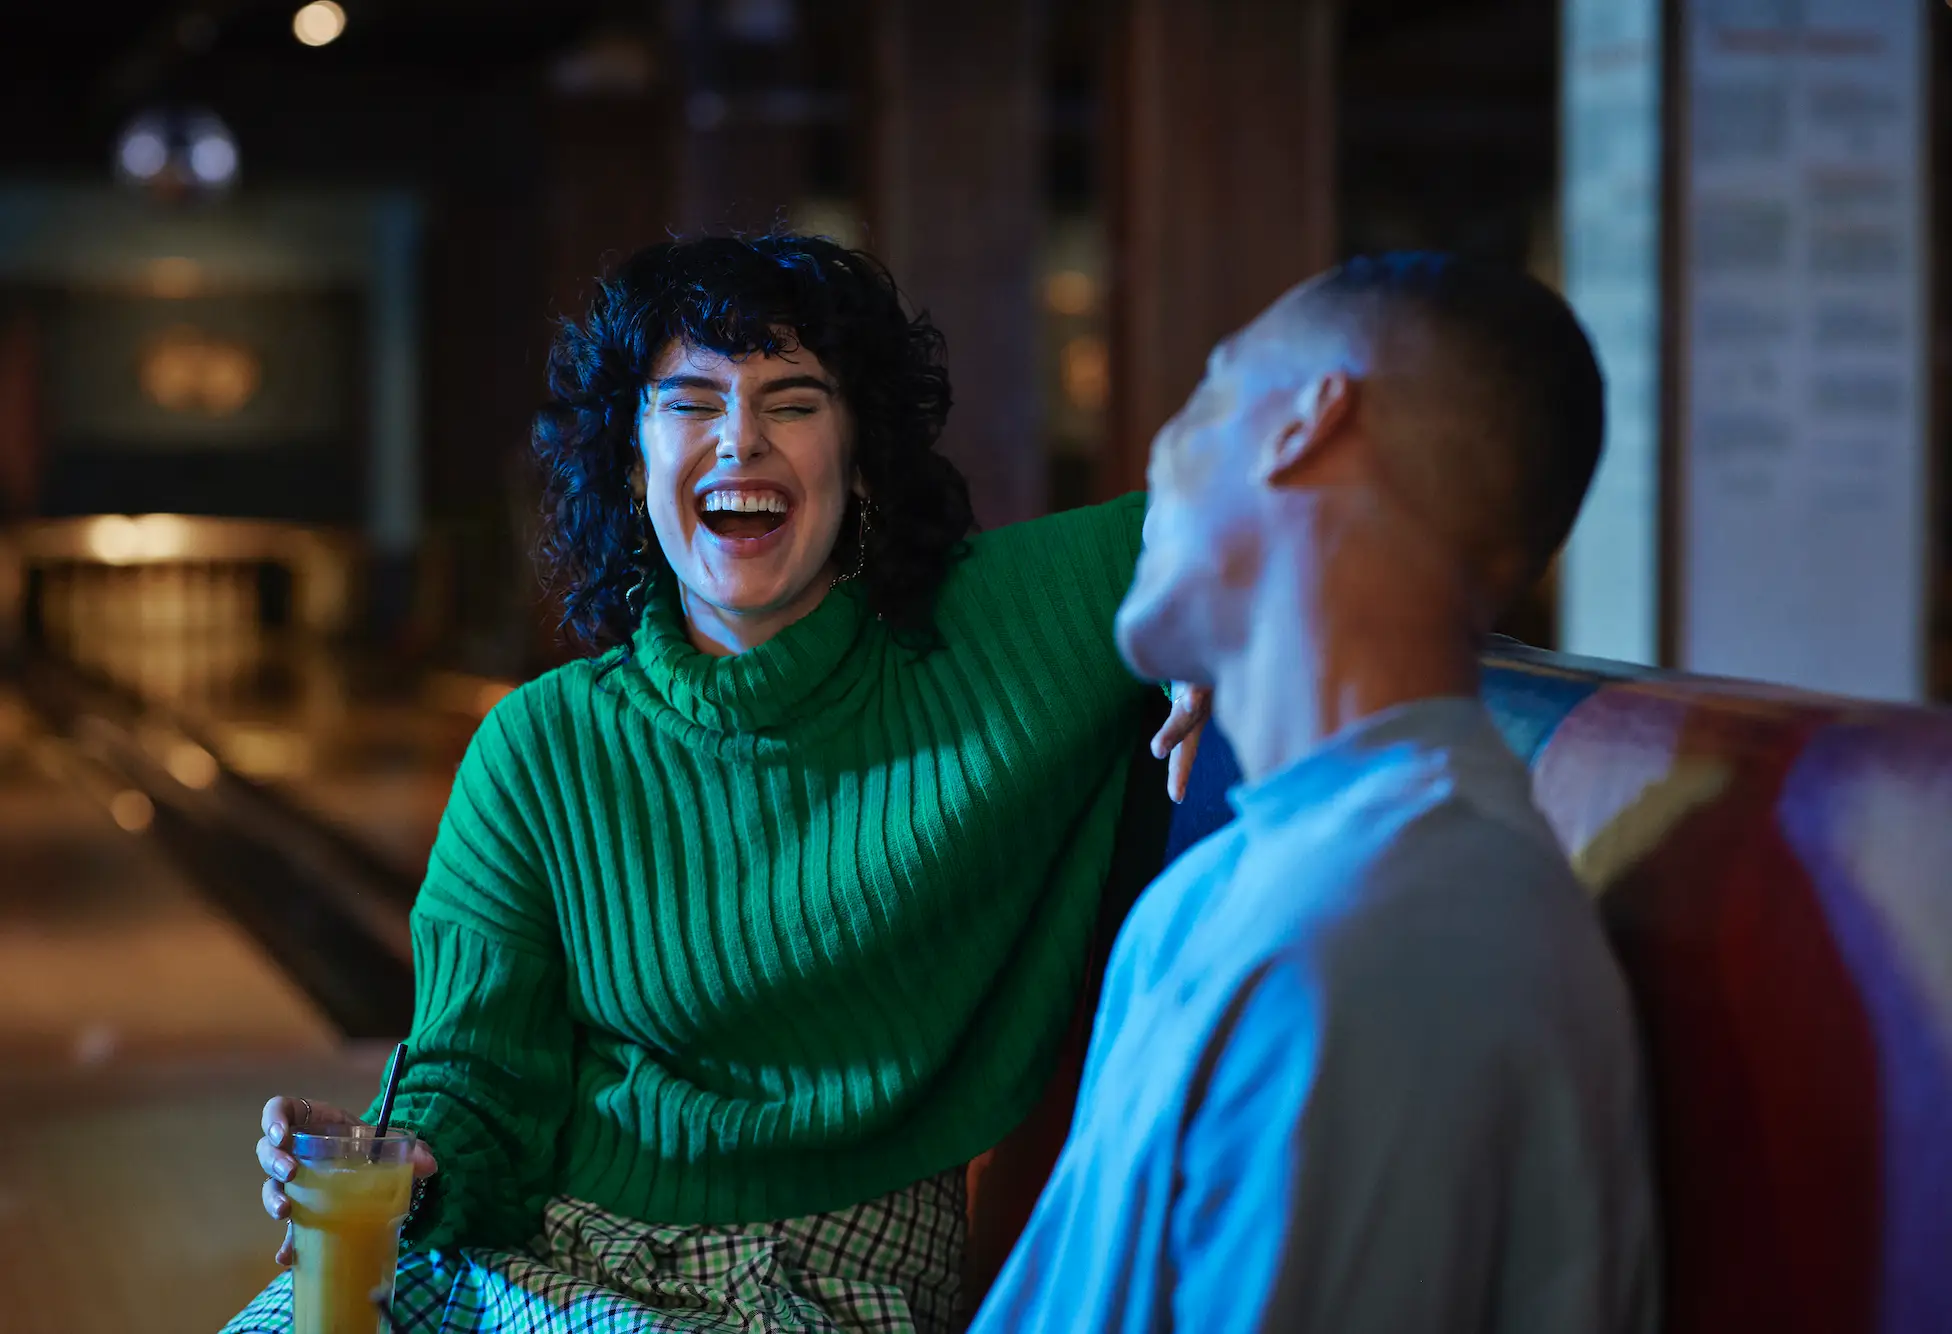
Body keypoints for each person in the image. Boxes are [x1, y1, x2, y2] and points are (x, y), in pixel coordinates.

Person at [223, 234, 1206, 1334]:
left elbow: (1248, 503)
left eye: (792, 402)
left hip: (818, 1282)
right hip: (540, 1250)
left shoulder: (988, 633)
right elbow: (472, 1068)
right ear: (632, 461)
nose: (741, 436)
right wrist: (415, 1155)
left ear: (860, 453)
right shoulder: (540, 747)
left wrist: (1222, 635)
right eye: (689, 403)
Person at [971, 253, 1659, 1334]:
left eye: (1203, 397)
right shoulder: (1246, 885)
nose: (1157, 462)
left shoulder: (1382, 942)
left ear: (1305, 422)